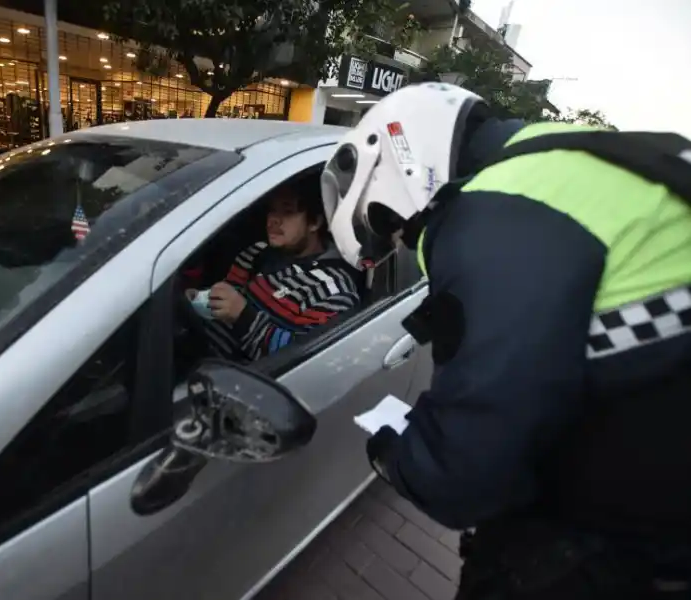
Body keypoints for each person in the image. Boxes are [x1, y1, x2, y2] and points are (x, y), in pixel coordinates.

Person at [320, 82, 691, 598]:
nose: (406, 241)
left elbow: (464, 471)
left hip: (633, 551)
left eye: (395, 228)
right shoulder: (567, 159)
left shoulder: (500, 210)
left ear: (396, 161)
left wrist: (399, 454)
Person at [190, 181, 364, 362]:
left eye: (287, 211)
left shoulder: (333, 292)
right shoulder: (256, 252)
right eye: (272, 210)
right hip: (194, 350)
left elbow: (300, 362)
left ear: (314, 222)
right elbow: (224, 302)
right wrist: (200, 299)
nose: (273, 220)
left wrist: (243, 317)